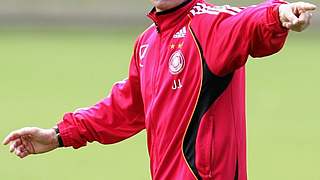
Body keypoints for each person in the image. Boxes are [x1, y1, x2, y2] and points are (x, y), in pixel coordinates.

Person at [3, 0, 316, 179]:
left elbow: (247, 24)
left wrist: (278, 15)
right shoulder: (148, 43)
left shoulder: (208, 26)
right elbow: (125, 107)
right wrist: (59, 135)